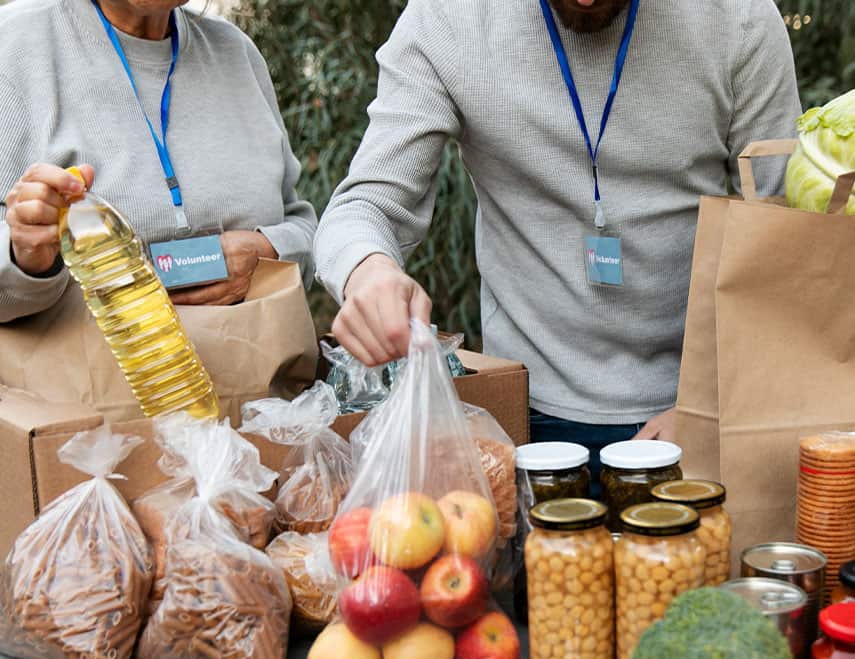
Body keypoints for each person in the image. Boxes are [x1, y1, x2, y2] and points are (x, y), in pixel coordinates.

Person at [313, 0, 801, 474]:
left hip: (700, 408)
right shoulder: (448, 18)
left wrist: (710, 407)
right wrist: (368, 270)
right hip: (522, 414)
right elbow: (367, 203)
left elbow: (784, 243)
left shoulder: (739, 21)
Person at [0, 0, 316, 323]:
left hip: (253, 367)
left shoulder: (237, 53)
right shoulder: (11, 45)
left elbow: (303, 226)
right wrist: (24, 258)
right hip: (93, 370)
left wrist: (269, 253)